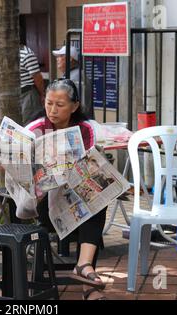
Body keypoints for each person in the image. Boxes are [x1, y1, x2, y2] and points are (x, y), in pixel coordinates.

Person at [23, 79, 107, 300]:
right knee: (90, 212)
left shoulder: (85, 129)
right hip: (43, 207)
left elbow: (86, 169)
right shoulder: (35, 130)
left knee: (95, 201)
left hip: (74, 201)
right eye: (49, 103)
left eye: (59, 105)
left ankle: (84, 268)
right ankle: (87, 280)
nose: (52, 110)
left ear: (75, 106)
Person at [52, 45, 93, 119]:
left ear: (70, 58)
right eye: (57, 57)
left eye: (61, 56)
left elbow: (81, 104)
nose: (57, 59)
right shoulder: (73, 74)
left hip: (77, 120)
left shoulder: (75, 77)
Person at [20, 41, 46, 126]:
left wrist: (42, 94)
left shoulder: (27, 54)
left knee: (29, 123)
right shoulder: (9, 53)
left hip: (27, 94)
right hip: (17, 95)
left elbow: (37, 77)